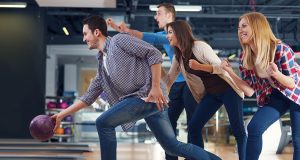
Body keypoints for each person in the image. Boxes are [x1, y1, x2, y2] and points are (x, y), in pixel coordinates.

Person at [51, 15, 221, 160]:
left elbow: (153, 53)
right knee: (172, 147)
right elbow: (87, 97)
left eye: (85, 34)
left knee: (103, 123)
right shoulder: (102, 66)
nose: (83, 38)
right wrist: (60, 115)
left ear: (97, 32)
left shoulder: (119, 40)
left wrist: (155, 87)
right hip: (148, 101)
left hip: (147, 96)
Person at [107, 4, 198, 160]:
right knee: (169, 123)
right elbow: (151, 38)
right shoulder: (165, 35)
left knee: (193, 125)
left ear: (169, 16)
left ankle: (197, 157)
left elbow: (153, 37)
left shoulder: (177, 34)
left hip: (191, 84)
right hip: (176, 85)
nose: (155, 17)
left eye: (158, 13)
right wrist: (121, 30)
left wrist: (127, 31)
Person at [221, 11, 300, 160]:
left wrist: (276, 74)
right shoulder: (246, 57)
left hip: (297, 93)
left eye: (244, 26)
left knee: (298, 140)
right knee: (254, 127)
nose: (240, 30)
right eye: (239, 28)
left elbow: (291, 83)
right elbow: (249, 90)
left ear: (257, 27)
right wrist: (229, 72)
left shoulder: (281, 49)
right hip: (277, 95)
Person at [163, 20, 247, 160]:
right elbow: (169, 78)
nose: (167, 36)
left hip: (228, 90)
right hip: (211, 94)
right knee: (194, 127)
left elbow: (221, 67)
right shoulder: (179, 56)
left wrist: (199, 66)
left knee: (238, 130)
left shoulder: (200, 46)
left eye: (170, 32)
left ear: (180, 33)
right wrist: (155, 81)